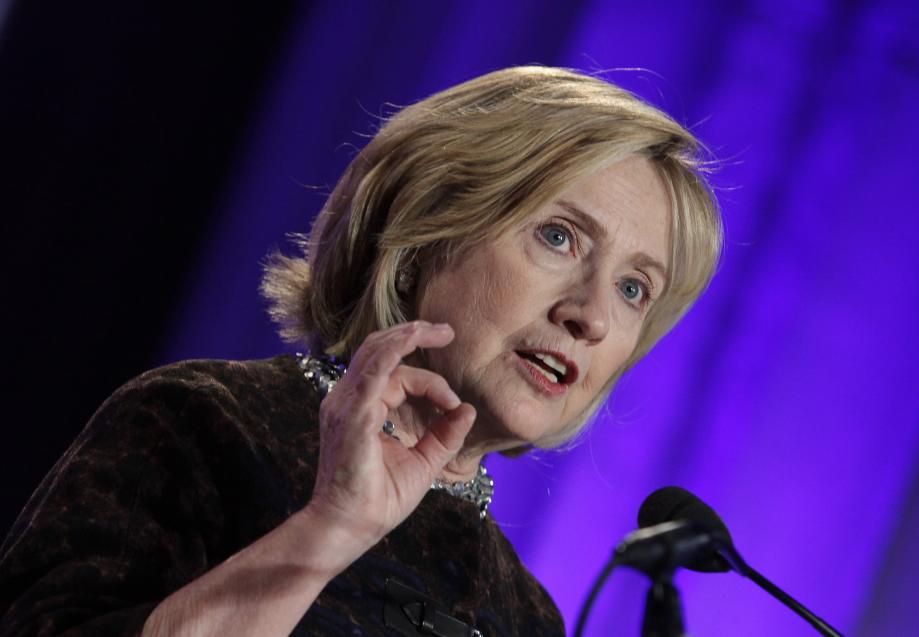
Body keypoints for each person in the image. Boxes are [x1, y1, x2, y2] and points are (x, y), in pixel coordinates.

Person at [0, 66, 721, 636]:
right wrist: (329, 529)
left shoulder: (526, 612)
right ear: (426, 233)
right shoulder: (206, 425)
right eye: (558, 236)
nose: (591, 315)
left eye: (634, 288)